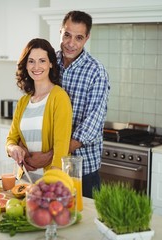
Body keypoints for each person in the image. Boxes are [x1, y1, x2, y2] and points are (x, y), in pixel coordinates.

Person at [24, 11, 110, 198]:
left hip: (82, 169)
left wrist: (49, 155)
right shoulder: (48, 62)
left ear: (87, 38)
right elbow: (34, 107)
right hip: (49, 168)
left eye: (79, 38)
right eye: (67, 35)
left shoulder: (96, 71)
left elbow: (92, 125)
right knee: (52, 220)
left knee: (84, 220)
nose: (71, 43)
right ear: (60, 32)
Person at [5, 38, 73, 174]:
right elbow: (11, 139)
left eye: (42, 61)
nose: (36, 67)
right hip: (25, 177)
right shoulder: (23, 102)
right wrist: (13, 149)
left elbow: (61, 146)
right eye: (31, 61)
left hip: (51, 178)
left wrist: (52, 181)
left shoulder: (59, 97)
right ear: (26, 65)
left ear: (51, 64)